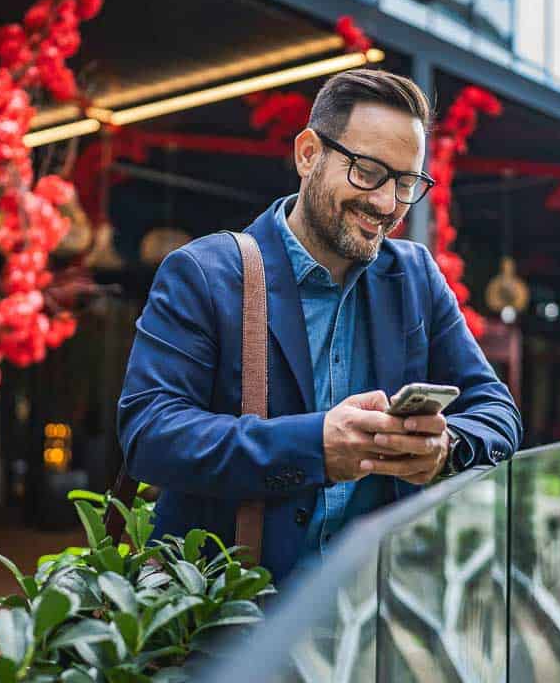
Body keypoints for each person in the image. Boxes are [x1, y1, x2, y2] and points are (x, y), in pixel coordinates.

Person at [117, 69, 522, 583]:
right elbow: (151, 435)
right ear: (308, 153)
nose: (386, 203)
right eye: (367, 171)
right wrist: (315, 446)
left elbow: (498, 413)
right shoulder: (204, 273)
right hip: (231, 622)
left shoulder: (416, 277)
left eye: (405, 183)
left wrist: (445, 449)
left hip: (370, 621)